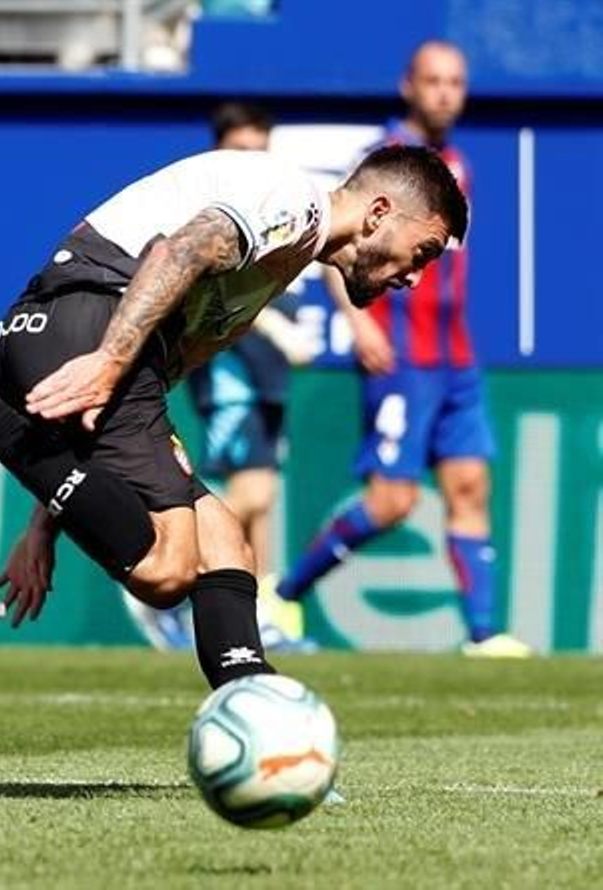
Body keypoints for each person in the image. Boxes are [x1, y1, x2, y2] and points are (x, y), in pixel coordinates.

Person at [0, 144, 466, 690]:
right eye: (424, 252)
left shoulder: (288, 256)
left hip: (71, 334)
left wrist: (46, 521)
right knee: (166, 568)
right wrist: (106, 362)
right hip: (89, 321)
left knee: (225, 542)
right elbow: (181, 248)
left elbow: (135, 400)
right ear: (379, 211)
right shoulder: (296, 203)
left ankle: (260, 719)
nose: (415, 277)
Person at [263, 40, 532, 658]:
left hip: (457, 356)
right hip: (402, 355)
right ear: (408, 85)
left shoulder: (459, 164)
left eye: (456, 82)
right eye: (433, 81)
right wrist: (360, 326)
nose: (445, 92)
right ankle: (287, 592)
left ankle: (483, 635)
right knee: (392, 500)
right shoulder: (382, 162)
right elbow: (334, 236)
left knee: (469, 487)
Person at [128, 101, 320, 652]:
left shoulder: (279, 209)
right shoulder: (212, 212)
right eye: (240, 151)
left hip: (270, 379)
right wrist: (275, 333)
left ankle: (254, 615)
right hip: (231, 373)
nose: (251, 163)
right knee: (249, 492)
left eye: (259, 150)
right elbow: (209, 298)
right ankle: (164, 575)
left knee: (261, 502)